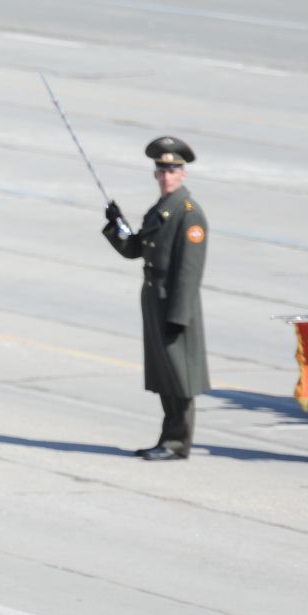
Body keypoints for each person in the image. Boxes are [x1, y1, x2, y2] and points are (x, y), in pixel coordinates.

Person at [103, 136, 209, 461]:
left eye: (173, 170)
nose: (167, 176)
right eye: (162, 170)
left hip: (174, 304)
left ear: (183, 174)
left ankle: (178, 444)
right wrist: (117, 225)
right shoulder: (161, 210)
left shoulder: (188, 213)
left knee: (180, 376)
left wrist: (178, 315)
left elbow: (189, 271)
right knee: (165, 374)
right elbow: (136, 248)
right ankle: (168, 438)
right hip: (155, 301)